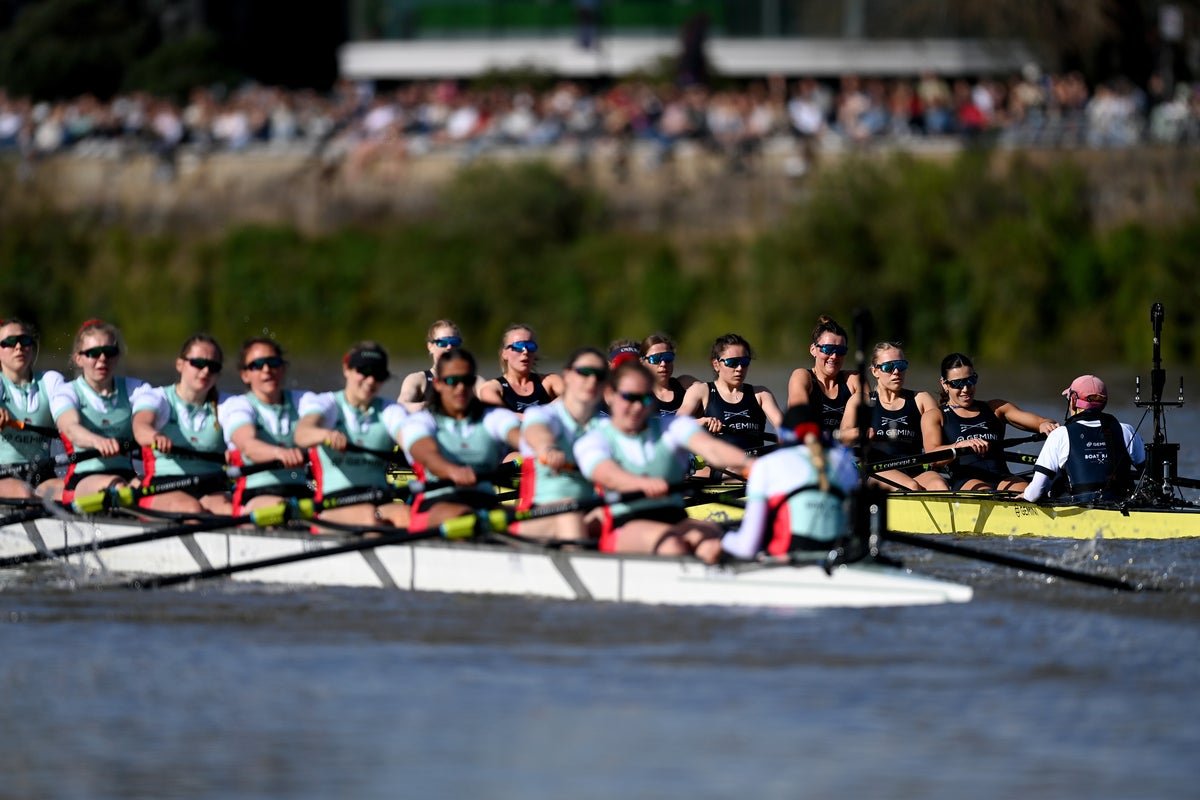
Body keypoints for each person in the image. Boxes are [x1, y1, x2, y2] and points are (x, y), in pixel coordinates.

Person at [574, 361, 755, 564]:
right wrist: (641, 484)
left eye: (644, 398)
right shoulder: (595, 436)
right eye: (629, 398)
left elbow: (711, 449)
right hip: (625, 522)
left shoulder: (671, 427)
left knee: (712, 542)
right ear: (610, 394)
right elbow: (604, 472)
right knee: (672, 545)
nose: (637, 406)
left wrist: (750, 464)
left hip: (673, 516)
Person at [294, 341, 410, 528]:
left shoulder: (390, 410)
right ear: (346, 369)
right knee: (368, 517)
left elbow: (410, 439)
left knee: (407, 516)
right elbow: (302, 434)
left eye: (378, 374)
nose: (371, 380)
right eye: (364, 371)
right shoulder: (327, 404)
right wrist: (325, 435)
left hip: (378, 500)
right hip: (333, 504)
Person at [402, 347, 521, 529]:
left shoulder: (492, 417)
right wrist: (451, 471)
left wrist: (544, 449)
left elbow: (520, 436)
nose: (461, 388)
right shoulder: (423, 420)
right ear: (438, 384)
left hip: (484, 501)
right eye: (452, 381)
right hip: (436, 502)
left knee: (530, 521)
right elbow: (425, 453)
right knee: (466, 517)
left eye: (467, 381)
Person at [721, 403, 859, 560]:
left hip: (786, 563)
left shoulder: (766, 464)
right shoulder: (846, 463)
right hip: (838, 560)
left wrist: (721, 537)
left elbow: (747, 547)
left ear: (782, 435)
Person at [921, 353, 1058, 491]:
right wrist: (960, 445)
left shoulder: (996, 408)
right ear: (944, 384)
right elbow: (932, 456)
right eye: (958, 383)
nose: (966, 389)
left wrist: (1045, 424)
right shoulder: (935, 416)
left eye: (970, 380)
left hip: (1003, 478)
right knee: (984, 493)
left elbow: (1041, 421)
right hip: (967, 481)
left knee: (1024, 490)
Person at [131, 333, 232, 515]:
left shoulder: (227, 405)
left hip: (210, 486)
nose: (206, 371)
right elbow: (140, 428)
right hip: (162, 486)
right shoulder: (157, 398)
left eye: (213, 366)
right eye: (198, 364)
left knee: (230, 510)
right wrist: (155, 436)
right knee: (191, 509)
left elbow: (245, 434)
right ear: (180, 364)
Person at [52, 319, 146, 504]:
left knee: (150, 488)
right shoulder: (67, 392)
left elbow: (151, 417)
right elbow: (70, 428)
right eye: (93, 353)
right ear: (78, 359)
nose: (102, 358)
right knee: (119, 488)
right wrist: (98, 441)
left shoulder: (135, 389)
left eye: (109, 352)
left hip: (126, 474)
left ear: (117, 356)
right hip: (83, 479)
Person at [517, 347, 607, 541]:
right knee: (570, 510)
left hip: (585, 511)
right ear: (567, 375)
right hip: (536, 514)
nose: (592, 380)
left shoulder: (604, 425)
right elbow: (537, 431)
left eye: (599, 375)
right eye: (584, 372)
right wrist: (547, 448)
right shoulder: (543, 415)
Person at [840, 342, 948, 491]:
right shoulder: (860, 401)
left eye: (901, 365)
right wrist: (859, 433)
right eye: (888, 367)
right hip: (877, 471)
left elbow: (939, 440)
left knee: (939, 485)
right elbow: (842, 438)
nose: (896, 371)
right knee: (910, 486)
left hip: (915, 471)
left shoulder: (922, 399)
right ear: (875, 371)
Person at [218, 337, 309, 514]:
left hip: (300, 489)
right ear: (245, 375)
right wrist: (280, 453)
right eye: (257, 365)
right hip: (255, 494)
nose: (267, 370)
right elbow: (248, 447)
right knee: (288, 510)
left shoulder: (303, 401)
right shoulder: (238, 405)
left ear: (283, 368)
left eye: (273, 363)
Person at [1021, 374, 1146, 503]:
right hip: (1122, 507)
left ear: (1073, 400)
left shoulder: (1060, 434)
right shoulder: (1126, 430)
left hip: (1079, 510)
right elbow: (1150, 475)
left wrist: (1024, 495)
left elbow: (1034, 494)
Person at [678, 333, 783, 450]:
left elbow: (785, 428)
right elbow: (675, 425)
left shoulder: (761, 394)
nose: (739, 368)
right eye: (732, 363)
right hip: (719, 467)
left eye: (744, 362)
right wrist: (702, 422)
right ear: (716, 364)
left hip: (753, 465)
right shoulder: (701, 391)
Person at [0, 318, 65, 499]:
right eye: (10, 343)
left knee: (68, 491)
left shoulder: (50, 381)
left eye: (25, 341)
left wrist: (71, 424)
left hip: (42, 475)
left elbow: (69, 411)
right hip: (3, 475)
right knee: (23, 492)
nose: (19, 347)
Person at [785, 315, 861, 435]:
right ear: (813, 350)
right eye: (828, 349)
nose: (834, 356)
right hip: (807, 447)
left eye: (840, 350)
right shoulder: (802, 376)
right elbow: (800, 416)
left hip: (840, 449)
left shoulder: (854, 379)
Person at [477, 323, 563, 413]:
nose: (525, 351)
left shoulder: (550, 381)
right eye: (518, 346)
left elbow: (573, 396)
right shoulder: (492, 388)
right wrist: (544, 412)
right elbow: (504, 418)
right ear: (504, 353)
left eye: (530, 346)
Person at [397, 319, 462, 413]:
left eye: (454, 342)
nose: (449, 347)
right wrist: (430, 407)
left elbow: (486, 389)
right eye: (442, 343)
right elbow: (401, 404)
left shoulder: (471, 380)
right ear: (430, 347)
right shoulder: (418, 379)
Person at [640, 332, 699, 418]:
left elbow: (715, 394)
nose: (663, 364)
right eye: (655, 359)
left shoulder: (686, 384)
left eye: (668, 357)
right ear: (642, 362)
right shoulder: (640, 394)